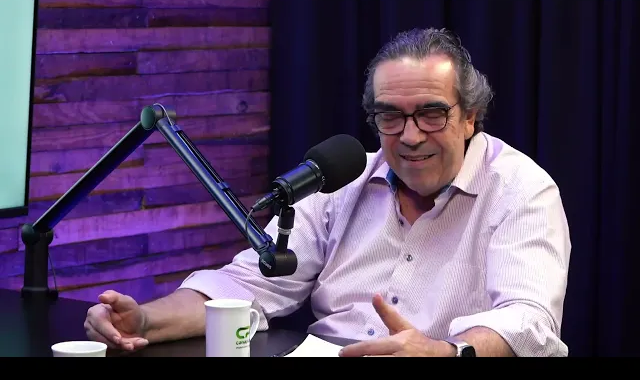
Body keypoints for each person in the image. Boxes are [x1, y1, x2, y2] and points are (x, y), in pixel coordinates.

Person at [84, 27, 571, 357]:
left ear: (469, 118)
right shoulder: (343, 180)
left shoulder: (520, 189)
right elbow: (247, 286)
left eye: (431, 114)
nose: (410, 136)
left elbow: (528, 320)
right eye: (390, 116)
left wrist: (447, 352)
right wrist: (143, 322)